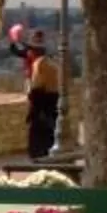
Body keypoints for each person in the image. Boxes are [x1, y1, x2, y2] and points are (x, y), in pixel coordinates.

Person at [22, 27, 64, 160]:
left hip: (43, 106)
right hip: (54, 103)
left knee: (39, 141)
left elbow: (37, 90)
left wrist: (31, 112)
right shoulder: (53, 64)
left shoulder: (39, 65)